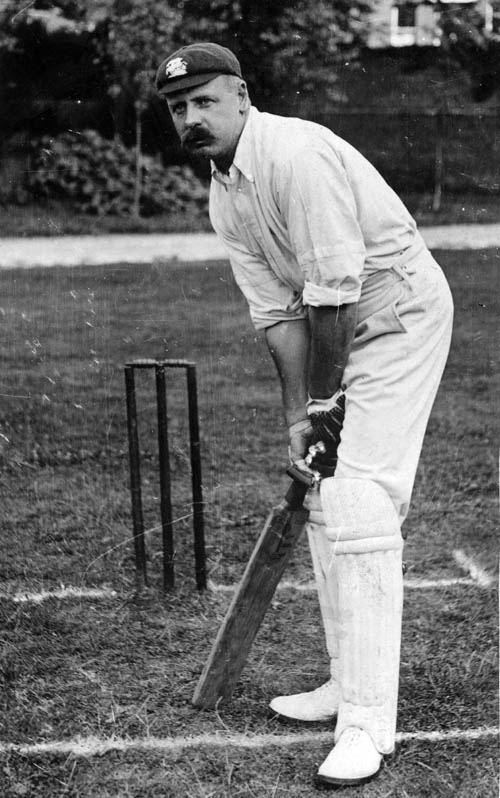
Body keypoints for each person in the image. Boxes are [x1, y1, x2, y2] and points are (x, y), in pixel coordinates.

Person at [155, 42, 454, 788]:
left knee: (357, 497)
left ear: (243, 95)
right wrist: (301, 417)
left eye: (204, 101)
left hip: (399, 316)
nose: (191, 117)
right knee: (323, 492)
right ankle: (343, 681)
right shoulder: (225, 193)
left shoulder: (296, 156)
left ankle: (367, 725)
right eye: (177, 107)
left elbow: (335, 291)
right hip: (338, 324)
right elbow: (278, 317)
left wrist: (328, 401)